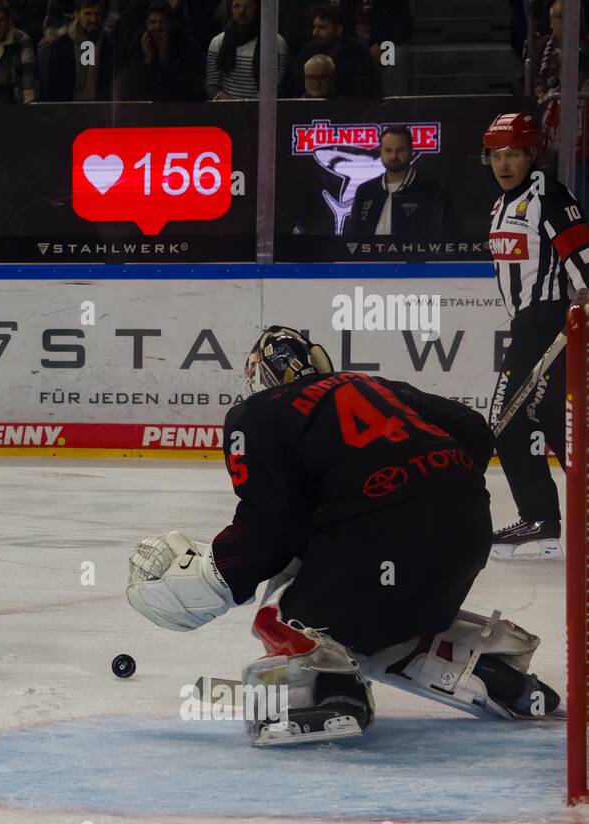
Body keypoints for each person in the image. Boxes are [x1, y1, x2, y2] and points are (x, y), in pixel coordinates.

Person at [126, 326, 562, 746]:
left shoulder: (255, 413)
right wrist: (421, 474)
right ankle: (480, 664)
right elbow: (472, 428)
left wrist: (218, 576)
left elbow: (270, 531)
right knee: (371, 618)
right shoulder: (377, 386)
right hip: (466, 530)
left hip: (380, 535)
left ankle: (322, 694)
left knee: (284, 610)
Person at [484, 111, 589, 560]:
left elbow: (582, 259)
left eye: (514, 154)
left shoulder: (549, 196)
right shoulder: (502, 204)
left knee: (504, 421)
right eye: (496, 155)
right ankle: (545, 523)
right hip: (528, 324)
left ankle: (540, 519)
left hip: (546, 322)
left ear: (532, 154)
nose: (504, 164)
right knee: (549, 420)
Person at [345, 125, 455, 240]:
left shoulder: (435, 192)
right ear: (380, 152)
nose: (394, 156)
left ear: (411, 151)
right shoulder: (365, 191)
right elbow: (351, 238)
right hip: (369, 257)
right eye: (388, 150)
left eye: (400, 150)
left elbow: (446, 241)